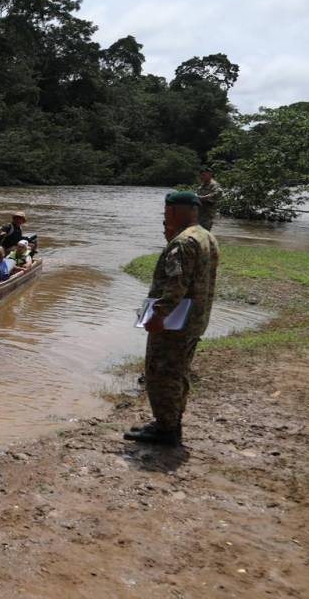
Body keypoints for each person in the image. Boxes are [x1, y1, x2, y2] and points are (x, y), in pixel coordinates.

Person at [124, 191, 219, 447]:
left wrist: (158, 315)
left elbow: (176, 284)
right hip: (194, 319)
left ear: (174, 211)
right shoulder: (206, 236)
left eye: (167, 210)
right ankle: (171, 423)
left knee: (162, 373)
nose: (165, 215)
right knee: (178, 372)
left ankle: (166, 430)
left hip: (174, 322)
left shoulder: (183, 242)